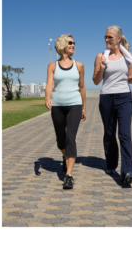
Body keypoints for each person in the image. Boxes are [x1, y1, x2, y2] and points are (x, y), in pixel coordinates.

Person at [93, 25, 132, 184]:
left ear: (118, 39)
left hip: (124, 97)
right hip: (106, 98)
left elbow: (129, 79)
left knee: (124, 134)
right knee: (109, 134)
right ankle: (111, 164)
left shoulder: (128, 57)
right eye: (105, 37)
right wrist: (102, 67)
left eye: (109, 37)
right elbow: (96, 81)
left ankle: (128, 171)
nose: (106, 40)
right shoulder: (101, 56)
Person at [45, 34, 86, 189]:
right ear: (63, 44)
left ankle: (68, 175)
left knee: (70, 138)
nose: (73, 45)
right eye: (70, 43)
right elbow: (49, 84)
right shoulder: (52, 66)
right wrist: (47, 97)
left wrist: (84, 107)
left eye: (74, 43)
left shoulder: (79, 65)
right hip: (57, 106)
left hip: (75, 104)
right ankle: (66, 157)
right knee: (61, 140)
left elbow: (82, 88)